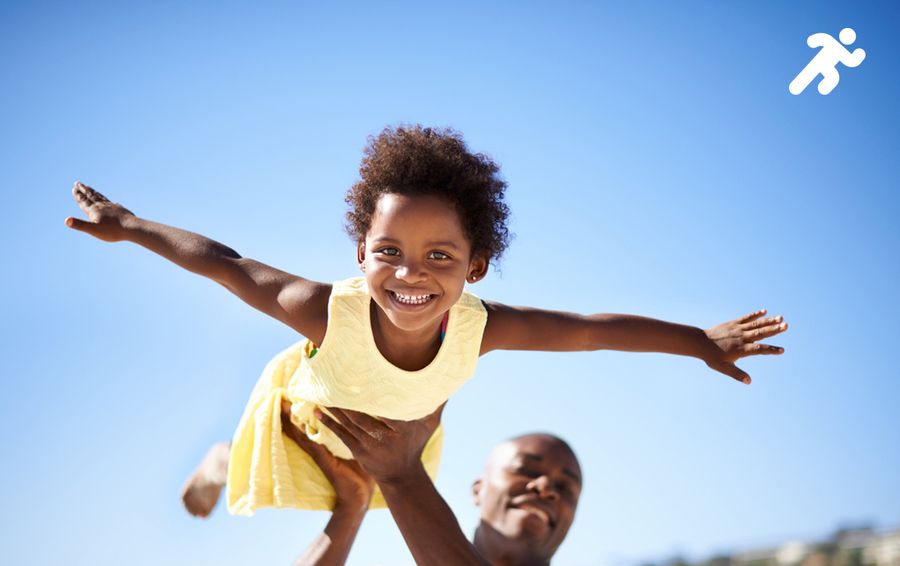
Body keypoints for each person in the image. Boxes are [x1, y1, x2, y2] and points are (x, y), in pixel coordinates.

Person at [67, 125, 788, 517]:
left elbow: (589, 329)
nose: (411, 273)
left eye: (439, 254)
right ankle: (226, 460)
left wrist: (696, 341)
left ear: (475, 266)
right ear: (361, 251)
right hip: (304, 423)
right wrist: (129, 224)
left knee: (359, 497)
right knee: (283, 475)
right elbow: (225, 263)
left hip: (396, 441)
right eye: (390, 252)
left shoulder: (481, 325)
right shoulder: (325, 310)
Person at [251, 400, 637, 566]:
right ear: (478, 489)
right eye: (526, 471)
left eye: (566, 488)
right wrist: (351, 509)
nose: (546, 488)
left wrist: (403, 477)